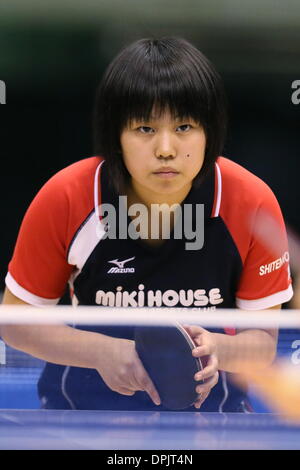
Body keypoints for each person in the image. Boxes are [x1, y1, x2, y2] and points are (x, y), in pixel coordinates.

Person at [1, 37, 293, 412]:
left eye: (185, 127)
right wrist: (103, 352)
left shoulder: (252, 204)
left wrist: (218, 349)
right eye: (145, 129)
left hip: (213, 425)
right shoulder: (67, 198)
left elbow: (264, 343)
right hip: (81, 418)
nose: (167, 148)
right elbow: (15, 323)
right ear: (115, 135)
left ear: (211, 132)